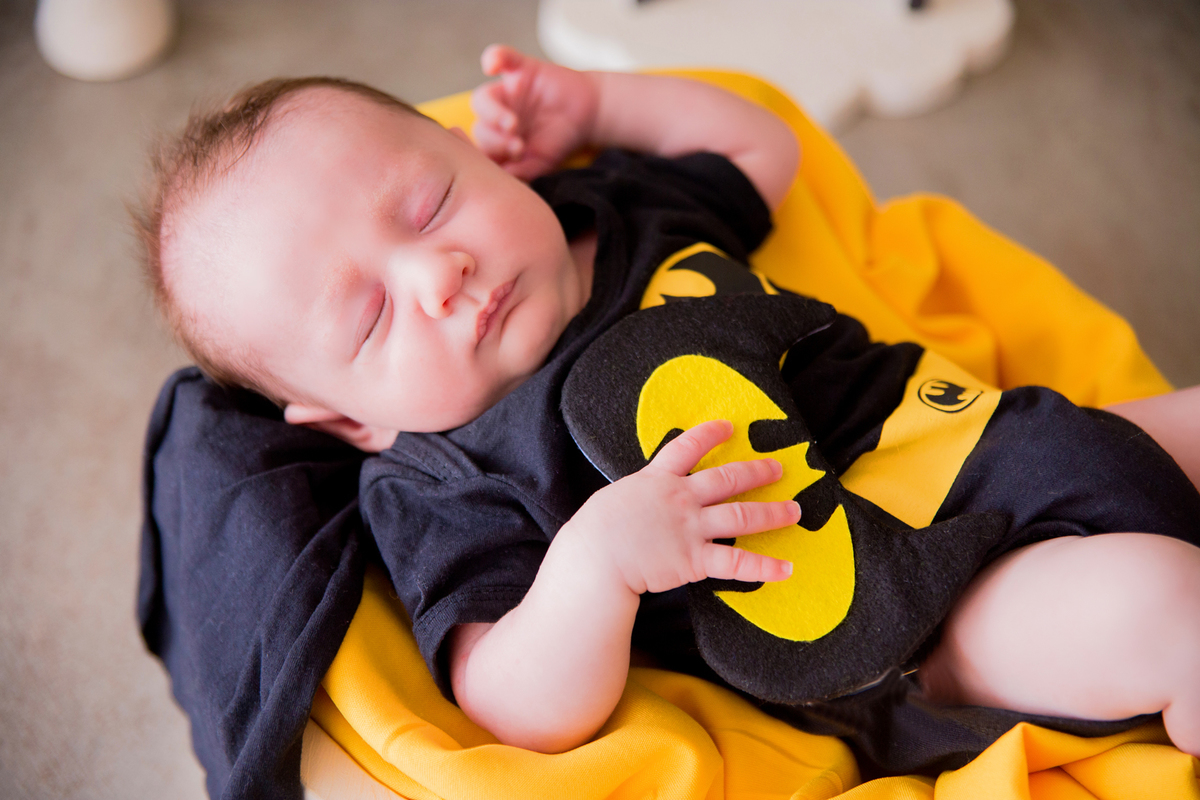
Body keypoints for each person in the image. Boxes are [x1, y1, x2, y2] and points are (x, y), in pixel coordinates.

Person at [135, 44, 1200, 761]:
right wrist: (595, 566)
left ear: (480, 153)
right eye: (370, 318)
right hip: (917, 621)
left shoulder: (611, 210)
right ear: (352, 421)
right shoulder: (439, 474)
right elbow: (507, 698)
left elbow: (765, 151)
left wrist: (600, 108)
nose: (440, 270)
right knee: (1164, 601)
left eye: (430, 202)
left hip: (983, 430)